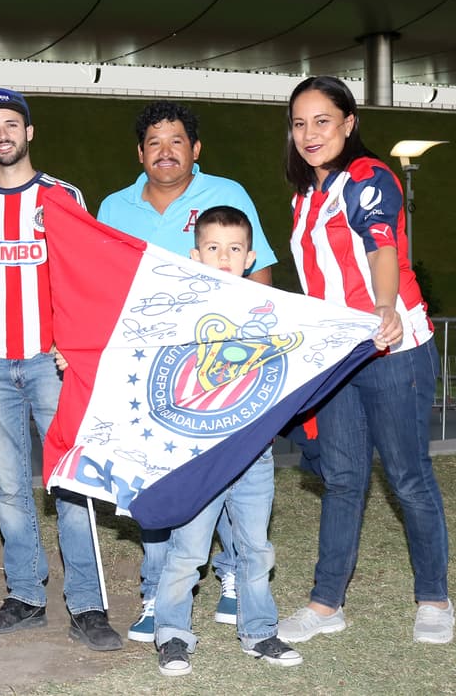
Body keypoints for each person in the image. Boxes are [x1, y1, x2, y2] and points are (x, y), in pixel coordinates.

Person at [276, 75, 453, 646]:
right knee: (343, 480)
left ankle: (434, 598)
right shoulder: (305, 197)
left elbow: (382, 247)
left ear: (349, 123)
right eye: (299, 124)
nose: (310, 133)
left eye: (322, 121)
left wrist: (384, 307)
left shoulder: (368, 177)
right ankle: (326, 604)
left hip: (391, 348)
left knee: (407, 477)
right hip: (338, 359)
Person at [0, 88, 124, 651]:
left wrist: (75, 345)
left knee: (70, 482)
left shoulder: (63, 196)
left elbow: (86, 273)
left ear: (29, 132)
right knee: (9, 490)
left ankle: (87, 606)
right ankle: (25, 596)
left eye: (11, 124)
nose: (2, 134)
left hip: (52, 366)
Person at [97, 100, 277, 641]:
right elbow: (100, 286)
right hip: (152, 377)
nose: (166, 151)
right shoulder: (115, 207)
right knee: (162, 483)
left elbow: (260, 275)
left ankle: (232, 576)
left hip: (223, 370)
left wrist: (254, 348)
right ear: (140, 153)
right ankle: (156, 591)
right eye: (154, 142)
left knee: (232, 472)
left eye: (176, 140)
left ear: (195, 149)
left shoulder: (228, 194)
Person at [150, 206, 300, 676]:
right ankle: (172, 634)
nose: (223, 257)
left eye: (234, 249)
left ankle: (259, 631)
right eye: (213, 247)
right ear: (195, 255)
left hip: (253, 453)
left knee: (256, 548)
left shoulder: (271, 313)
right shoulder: (179, 311)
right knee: (189, 550)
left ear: (250, 258)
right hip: (202, 455)